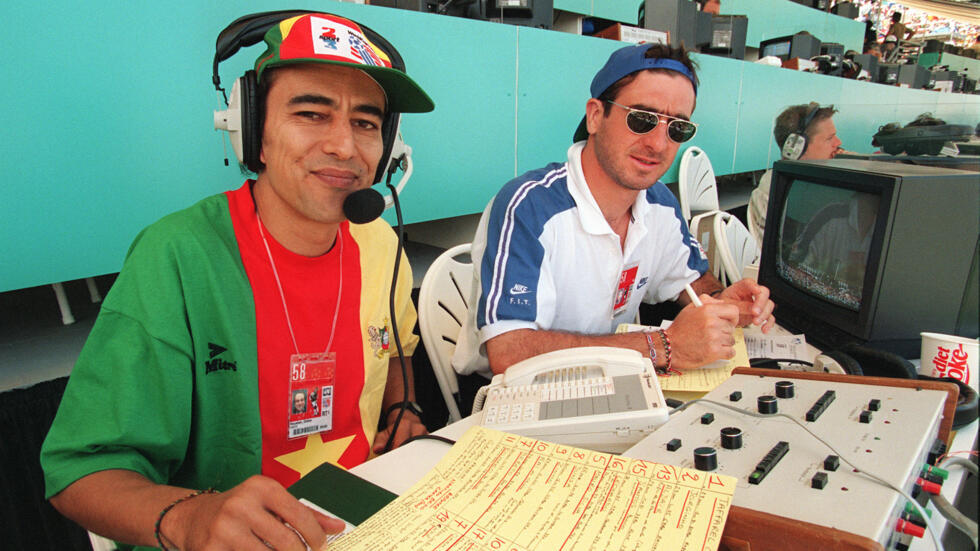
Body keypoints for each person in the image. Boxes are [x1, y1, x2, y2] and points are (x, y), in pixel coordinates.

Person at [40, 12, 433, 551]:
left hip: (362, 521)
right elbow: (80, 473)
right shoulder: (177, 255)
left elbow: (397, 349)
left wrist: (400, 408)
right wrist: (189, 518)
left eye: (366, 123)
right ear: (253, 133)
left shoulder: (380, 243)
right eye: (312, 113)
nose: (345, 146)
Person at [452, 43, 775, 388]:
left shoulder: (661, 204)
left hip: (606, 381)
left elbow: (694, 280)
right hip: (511, 397)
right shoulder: (528, 207)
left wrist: (721, 301)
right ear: (595, 116)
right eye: (642, 119)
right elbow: (509, 353)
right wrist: (664, 346)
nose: (659, 144)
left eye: (677, 128)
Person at [748, 103, 842, 242]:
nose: (838, 143)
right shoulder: (775, 191)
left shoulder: (814, 182)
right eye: (829, 138)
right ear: (796, 147)